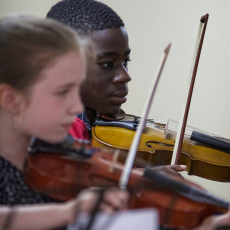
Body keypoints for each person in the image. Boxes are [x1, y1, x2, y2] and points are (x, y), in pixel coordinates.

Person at [0, 15, 128, 230]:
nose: (77, 107)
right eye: (63, 91)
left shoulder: (55, 155)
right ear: (11, 100)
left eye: (76, 89)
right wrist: (68, 212)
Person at [47, 0, 187, 178]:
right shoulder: (57, 130)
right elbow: (72, 188)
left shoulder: (99, 125)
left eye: (125, 62)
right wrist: (138, 180)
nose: (125, 76)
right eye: (107, 64)